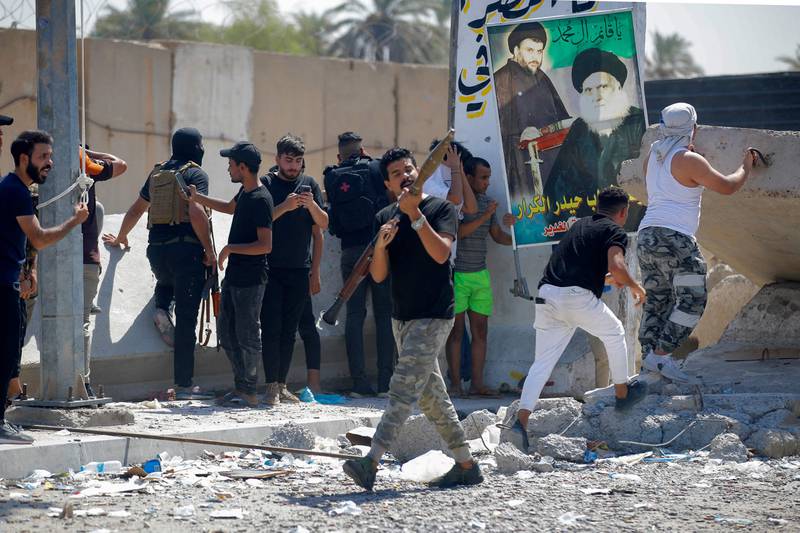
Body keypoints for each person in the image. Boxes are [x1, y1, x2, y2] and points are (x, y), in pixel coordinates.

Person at [342, 148, 483, 491]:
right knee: (431, 398)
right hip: (401, 317)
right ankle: (466, 465)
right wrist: (380, 245)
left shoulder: (440, 209)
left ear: (418, 172)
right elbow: (378, 276)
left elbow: (440, 254)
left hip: (433, 315)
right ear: (389, 184)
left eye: (408, 169)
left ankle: (371, 461)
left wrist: (415, 216)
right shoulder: (385, 216)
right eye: (395, 173)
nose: (404, 175)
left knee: (402, 388)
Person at [509, 187, 648, 445]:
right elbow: (617, 265)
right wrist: (634, 286)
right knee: (616, 332)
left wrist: (611, 280)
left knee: (541, 364)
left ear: (597, 206)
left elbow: (582, 270)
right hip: (575, 298)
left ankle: (521, 422)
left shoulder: (580, 225)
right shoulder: (614, 231)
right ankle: (622, 393)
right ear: (623, 212)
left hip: (548, 296)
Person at [637, 103, 758, 382]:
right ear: (694, 128)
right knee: (693, 300)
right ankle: (662, 356)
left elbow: (667, 185)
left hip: (647, 235)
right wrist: (746, 165)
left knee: (658, 299)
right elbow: (728, 186)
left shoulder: (651, 157)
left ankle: (648, 360)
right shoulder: (690, 160)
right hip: (676, 238)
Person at [102, 127, 216, 400]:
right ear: (196, 148)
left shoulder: (157, 173)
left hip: (157, 251)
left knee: (167, 281)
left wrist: (120, 238)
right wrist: (210, 252)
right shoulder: (195, 174)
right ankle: (185, 386)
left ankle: (162, 307)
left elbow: (136, 209)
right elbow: (197, 212)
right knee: (188, 321)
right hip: (186, 251)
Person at [1, 130, 89, 444]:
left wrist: (28, 269)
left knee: (9, 351)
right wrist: (74, 221)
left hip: (10, 279)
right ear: (24, 158)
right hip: (3, 285)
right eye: (43, 157)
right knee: (6, 352)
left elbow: (18, 240)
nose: (49, 163)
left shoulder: (14, 189)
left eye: (50, 156)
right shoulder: (16, 191)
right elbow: (37, 237)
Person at [186, 142, 273, 407]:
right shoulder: (245, 193)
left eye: (231, 164)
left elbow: (265, 245)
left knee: (247, 334)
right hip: (234, 277)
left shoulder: (261, 199)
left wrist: (229, 248)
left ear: (243, 167)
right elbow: (229, 208)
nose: (228, 168)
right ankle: (240, 386)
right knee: (226, 330)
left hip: (251, 279)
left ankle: (249, 390)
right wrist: (196, 198)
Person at [323, 131, 395, 396]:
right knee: (384, 316)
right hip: (379, 248)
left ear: (339, 155)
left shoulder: (332, 175)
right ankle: (386, 382)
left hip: (350, 252)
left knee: (354, 316)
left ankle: (359, 383)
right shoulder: (376, 167)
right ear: (362, 151)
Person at [259, 134, 328, 405]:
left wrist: (310, 205)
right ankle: (269, 387)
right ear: (277, 159)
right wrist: (286, 206)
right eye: (288, 160)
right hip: (270, 268)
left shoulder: (309, 185)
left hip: (299, 269)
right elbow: (261, 219)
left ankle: (282, 384)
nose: (293, 166)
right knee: (271, 328)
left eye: (298, 161)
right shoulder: (266, 184)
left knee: (290, 330)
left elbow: (322, 224)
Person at [544, 48, 646, 223]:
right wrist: (569, 218)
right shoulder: (580, 129)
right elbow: (558, 186)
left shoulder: (638, 123)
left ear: (618, 87)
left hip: (635, 219)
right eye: (589, 90)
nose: (597, 96)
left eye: (603, 87)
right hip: (591, 222)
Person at [444, 157, 516, 397]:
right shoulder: (456, 204)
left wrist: (519, 233)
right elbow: (459, 233)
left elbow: (498, 236)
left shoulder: (487, 202)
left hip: (480, 275)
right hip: (458, 276)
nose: (487, 182)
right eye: (483, 177)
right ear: (469, 177)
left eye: (488, 178)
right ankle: (455, 384)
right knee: (455, 333)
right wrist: (485, 216)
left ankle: (477, 384)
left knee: (480, 332)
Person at [494, 22, 570, 199]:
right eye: (530, 50)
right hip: (520, 166)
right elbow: (497, 131)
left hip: (552, 163)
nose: (536, 56)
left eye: (539, 51)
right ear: (516, 50)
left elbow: (561, 117)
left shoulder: (542, 77)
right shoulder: (501, 79)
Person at [79, 146, 128, 397]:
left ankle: (73, 383)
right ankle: (82, 384)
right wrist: (91, 153)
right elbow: (120, 164)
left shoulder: (42, 171)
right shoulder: (86, 165)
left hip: (54, 262)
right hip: (85, 260)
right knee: (82, 323)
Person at [297, 224, 323, 394]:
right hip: (272, 270)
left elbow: (318, 233)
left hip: (300, 270)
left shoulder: (305, 197)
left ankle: (314, 384)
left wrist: (315, 271)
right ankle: (276, 385)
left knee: (307, 327)